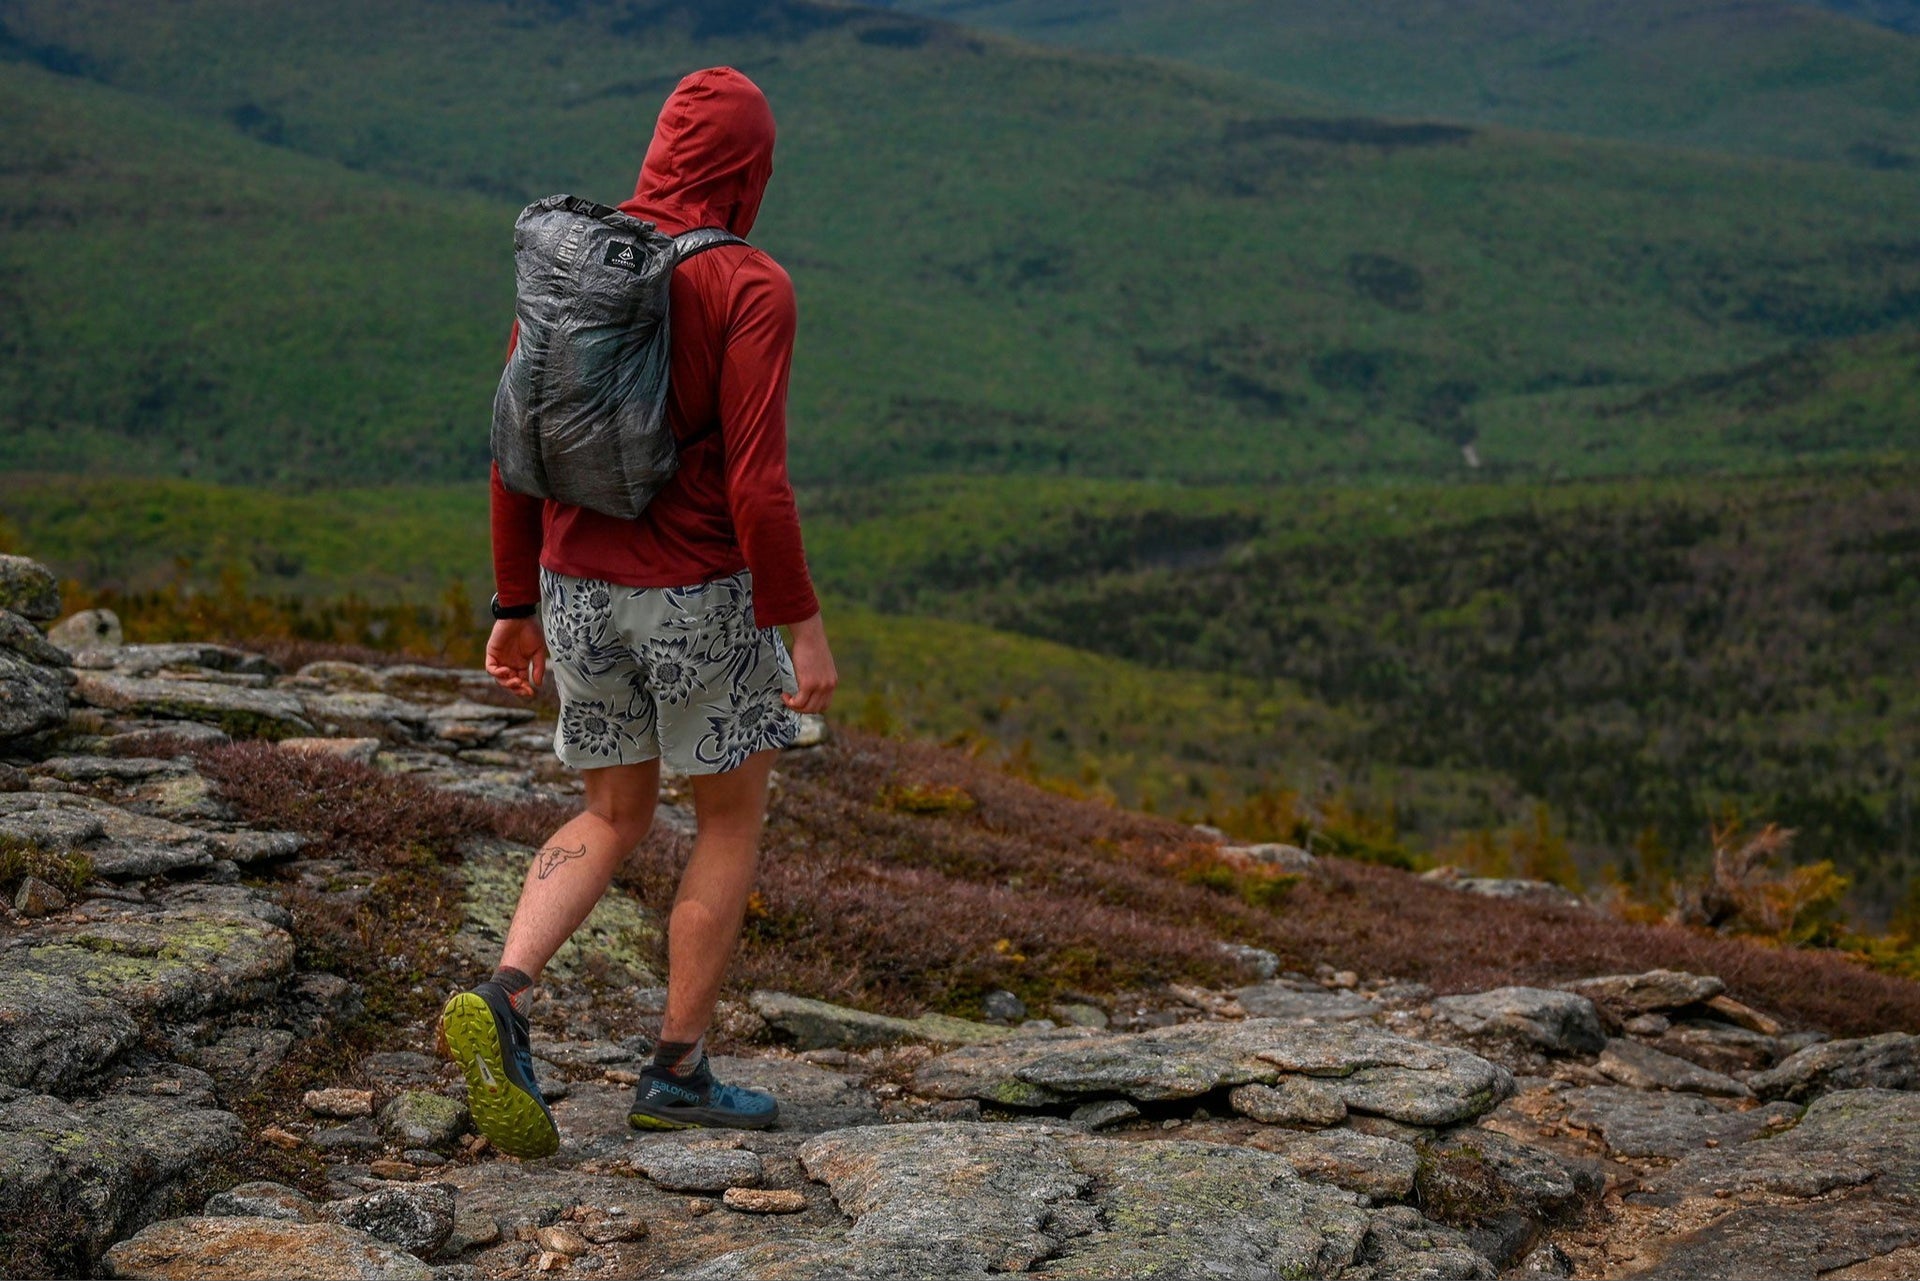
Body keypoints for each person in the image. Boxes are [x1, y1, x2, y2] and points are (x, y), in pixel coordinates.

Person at [440, 67, 836, 1158]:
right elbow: (758, 485)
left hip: (575, 592)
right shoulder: (752, 286)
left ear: (661, 149)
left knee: (613, 813)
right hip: (697, 597)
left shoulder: (572, 268)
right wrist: (800, 622)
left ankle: (507, 993)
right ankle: (676, 1071)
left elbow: (512, 448)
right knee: (727, 820)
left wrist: (514, 599)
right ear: (748, 169)